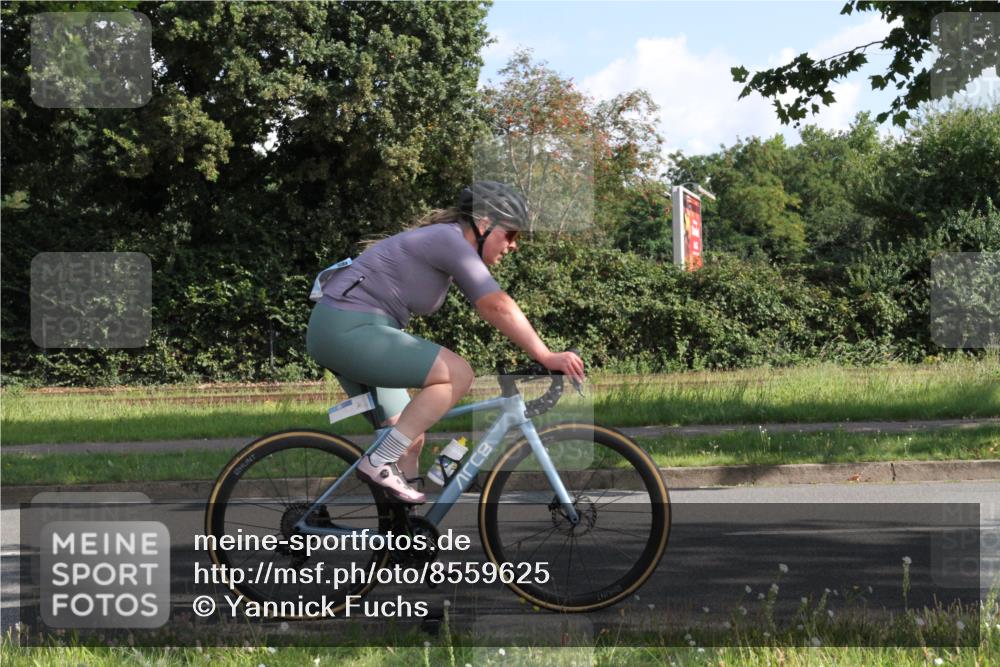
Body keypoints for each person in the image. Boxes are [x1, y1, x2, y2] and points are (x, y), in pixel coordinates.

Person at [306, 181, 585, 504]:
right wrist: (546, 355)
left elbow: (491, 305)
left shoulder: (447, 244)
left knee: (408, 436)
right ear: (484, 224)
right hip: (348, 328)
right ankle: (378, 463)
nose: (513, 246)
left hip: (354, 329)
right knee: (457, 373)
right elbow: (495, 305)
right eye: (511, 234)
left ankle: (405, 541)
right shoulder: (447, 240)